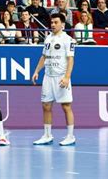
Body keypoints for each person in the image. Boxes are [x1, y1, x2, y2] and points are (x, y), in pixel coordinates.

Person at [32, 13, 76, 146]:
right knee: (46, 106)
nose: (53, 25)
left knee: (66, 106)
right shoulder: (48, 38)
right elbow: (44, 57)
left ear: (62, 24)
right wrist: (36, 71)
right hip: (48, 77)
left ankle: (70, 136)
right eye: (51, 22)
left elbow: (70, 59)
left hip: (61, 77)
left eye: (56, 22)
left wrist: (67, 77)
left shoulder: (68, 40)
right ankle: (47, 135)